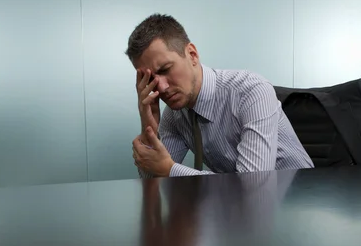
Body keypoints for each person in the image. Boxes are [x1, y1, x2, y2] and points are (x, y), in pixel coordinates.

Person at [127, 14, 313, 177]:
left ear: (192, 55)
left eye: (166, 69)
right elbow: (153, 179)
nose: (162, 87)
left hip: (299, 204)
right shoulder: (174, 115)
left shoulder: (252, 91)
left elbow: (253, 186)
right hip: (238, 209)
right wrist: (148, 128)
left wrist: (170, 169)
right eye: (151, 78)